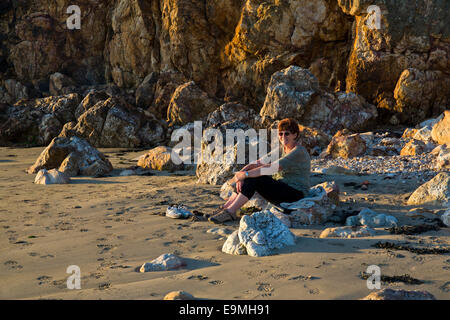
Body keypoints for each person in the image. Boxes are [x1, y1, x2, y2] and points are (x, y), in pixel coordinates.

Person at [209, 118, 311, 224]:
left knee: (254, 178)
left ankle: (230, 212)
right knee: (249, 177)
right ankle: (226, 208)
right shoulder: (282, 149)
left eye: (287, 134)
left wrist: (246, 175)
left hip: (296, 193)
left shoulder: (298, 151)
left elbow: (273, 167)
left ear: (295, 135)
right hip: (282, 188)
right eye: (280, 134)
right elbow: (257, 163)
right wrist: (241, 175)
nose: (283, 137)